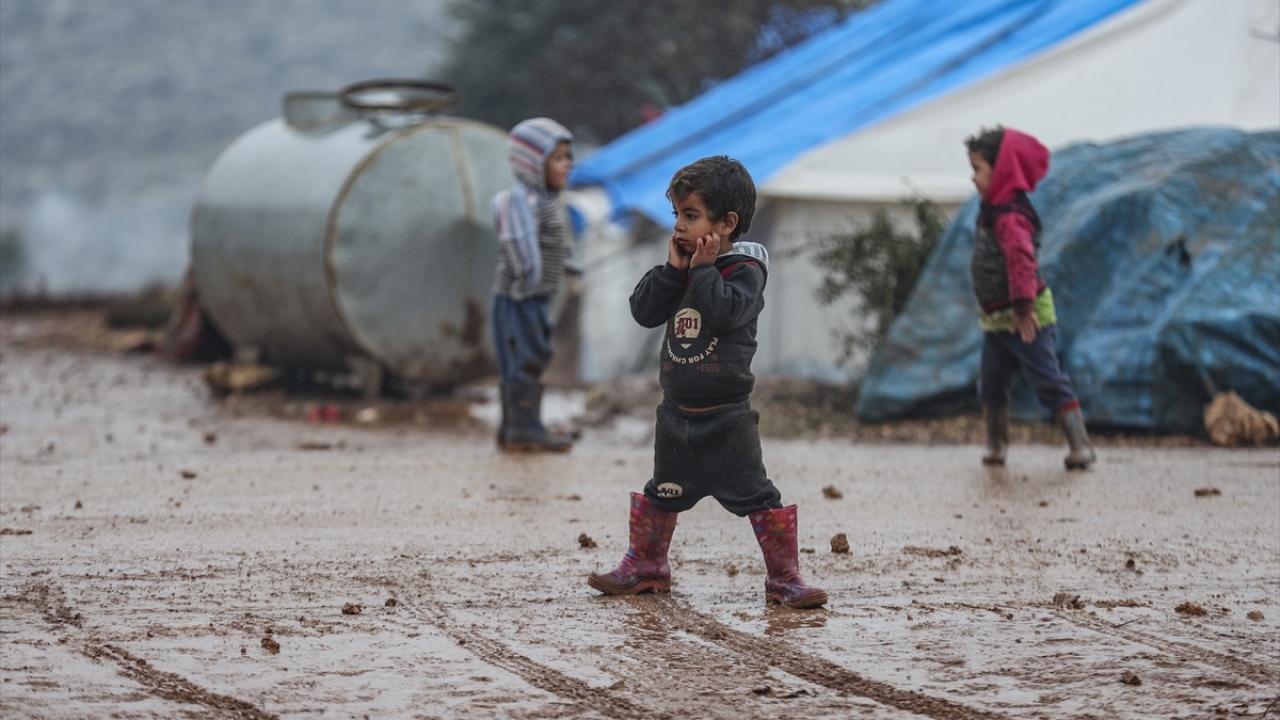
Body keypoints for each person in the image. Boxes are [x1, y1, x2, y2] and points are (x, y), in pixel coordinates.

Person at [588, 156, 826, 609]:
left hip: (728, 420)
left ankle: (785, 577)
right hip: (676, 417)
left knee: (759, 496)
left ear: (727, 223)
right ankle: (647, 565)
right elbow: (643, 312)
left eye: (691, 215)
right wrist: (671, 271)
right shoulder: (681, 269)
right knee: (662, 492)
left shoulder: (745, 271)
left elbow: (723, 312)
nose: (678, 225)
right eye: (676, 214)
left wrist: (701, 271)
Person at [965, 126, 1096, 470]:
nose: (973, 179)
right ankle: (996, 444)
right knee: (991, 384)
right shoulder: (992, 210)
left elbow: (1021, 260)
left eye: (978, 169)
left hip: (1027, 318)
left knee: (1047, 378)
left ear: (1001, 170)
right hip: (998, 322)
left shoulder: (1010, 217)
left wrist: (1023, 308)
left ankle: (1080, 444)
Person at [491, 118, 579, 453]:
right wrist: (529, 279)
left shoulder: (547, 201)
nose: (567, 164)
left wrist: (572, 267)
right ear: (531, 164)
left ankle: (513, 427)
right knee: (524, 357)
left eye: (568, 157)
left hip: (535, 296)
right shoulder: (520, 200)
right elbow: (520, 243)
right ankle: (523, 428)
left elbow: (556, 242)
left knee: (533, 354)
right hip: (518, 297)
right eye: (557, 158)